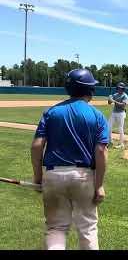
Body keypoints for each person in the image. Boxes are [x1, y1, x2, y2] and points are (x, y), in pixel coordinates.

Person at [31, 69, 109, 250]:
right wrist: (99, 185)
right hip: (84, 176)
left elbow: (36, 146)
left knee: (56, 228)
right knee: (87, 229)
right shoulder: (97, 115)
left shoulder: (51, 112)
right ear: (90, 90)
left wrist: (38, 177)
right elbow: (101, 151)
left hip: (53, 174)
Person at [108, 82, 128, 149]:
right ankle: (110, 141)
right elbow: (109, 103)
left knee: (120, 128)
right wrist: (109, 99)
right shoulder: (115, 94)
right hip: (114, 113)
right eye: (118, 88)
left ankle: (121, 143)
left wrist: (114, 101)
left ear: (123, 89)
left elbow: (123, 105)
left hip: (121, 113)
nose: (119, 89)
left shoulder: (125, 96)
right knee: (109, 127)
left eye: (121, 88)